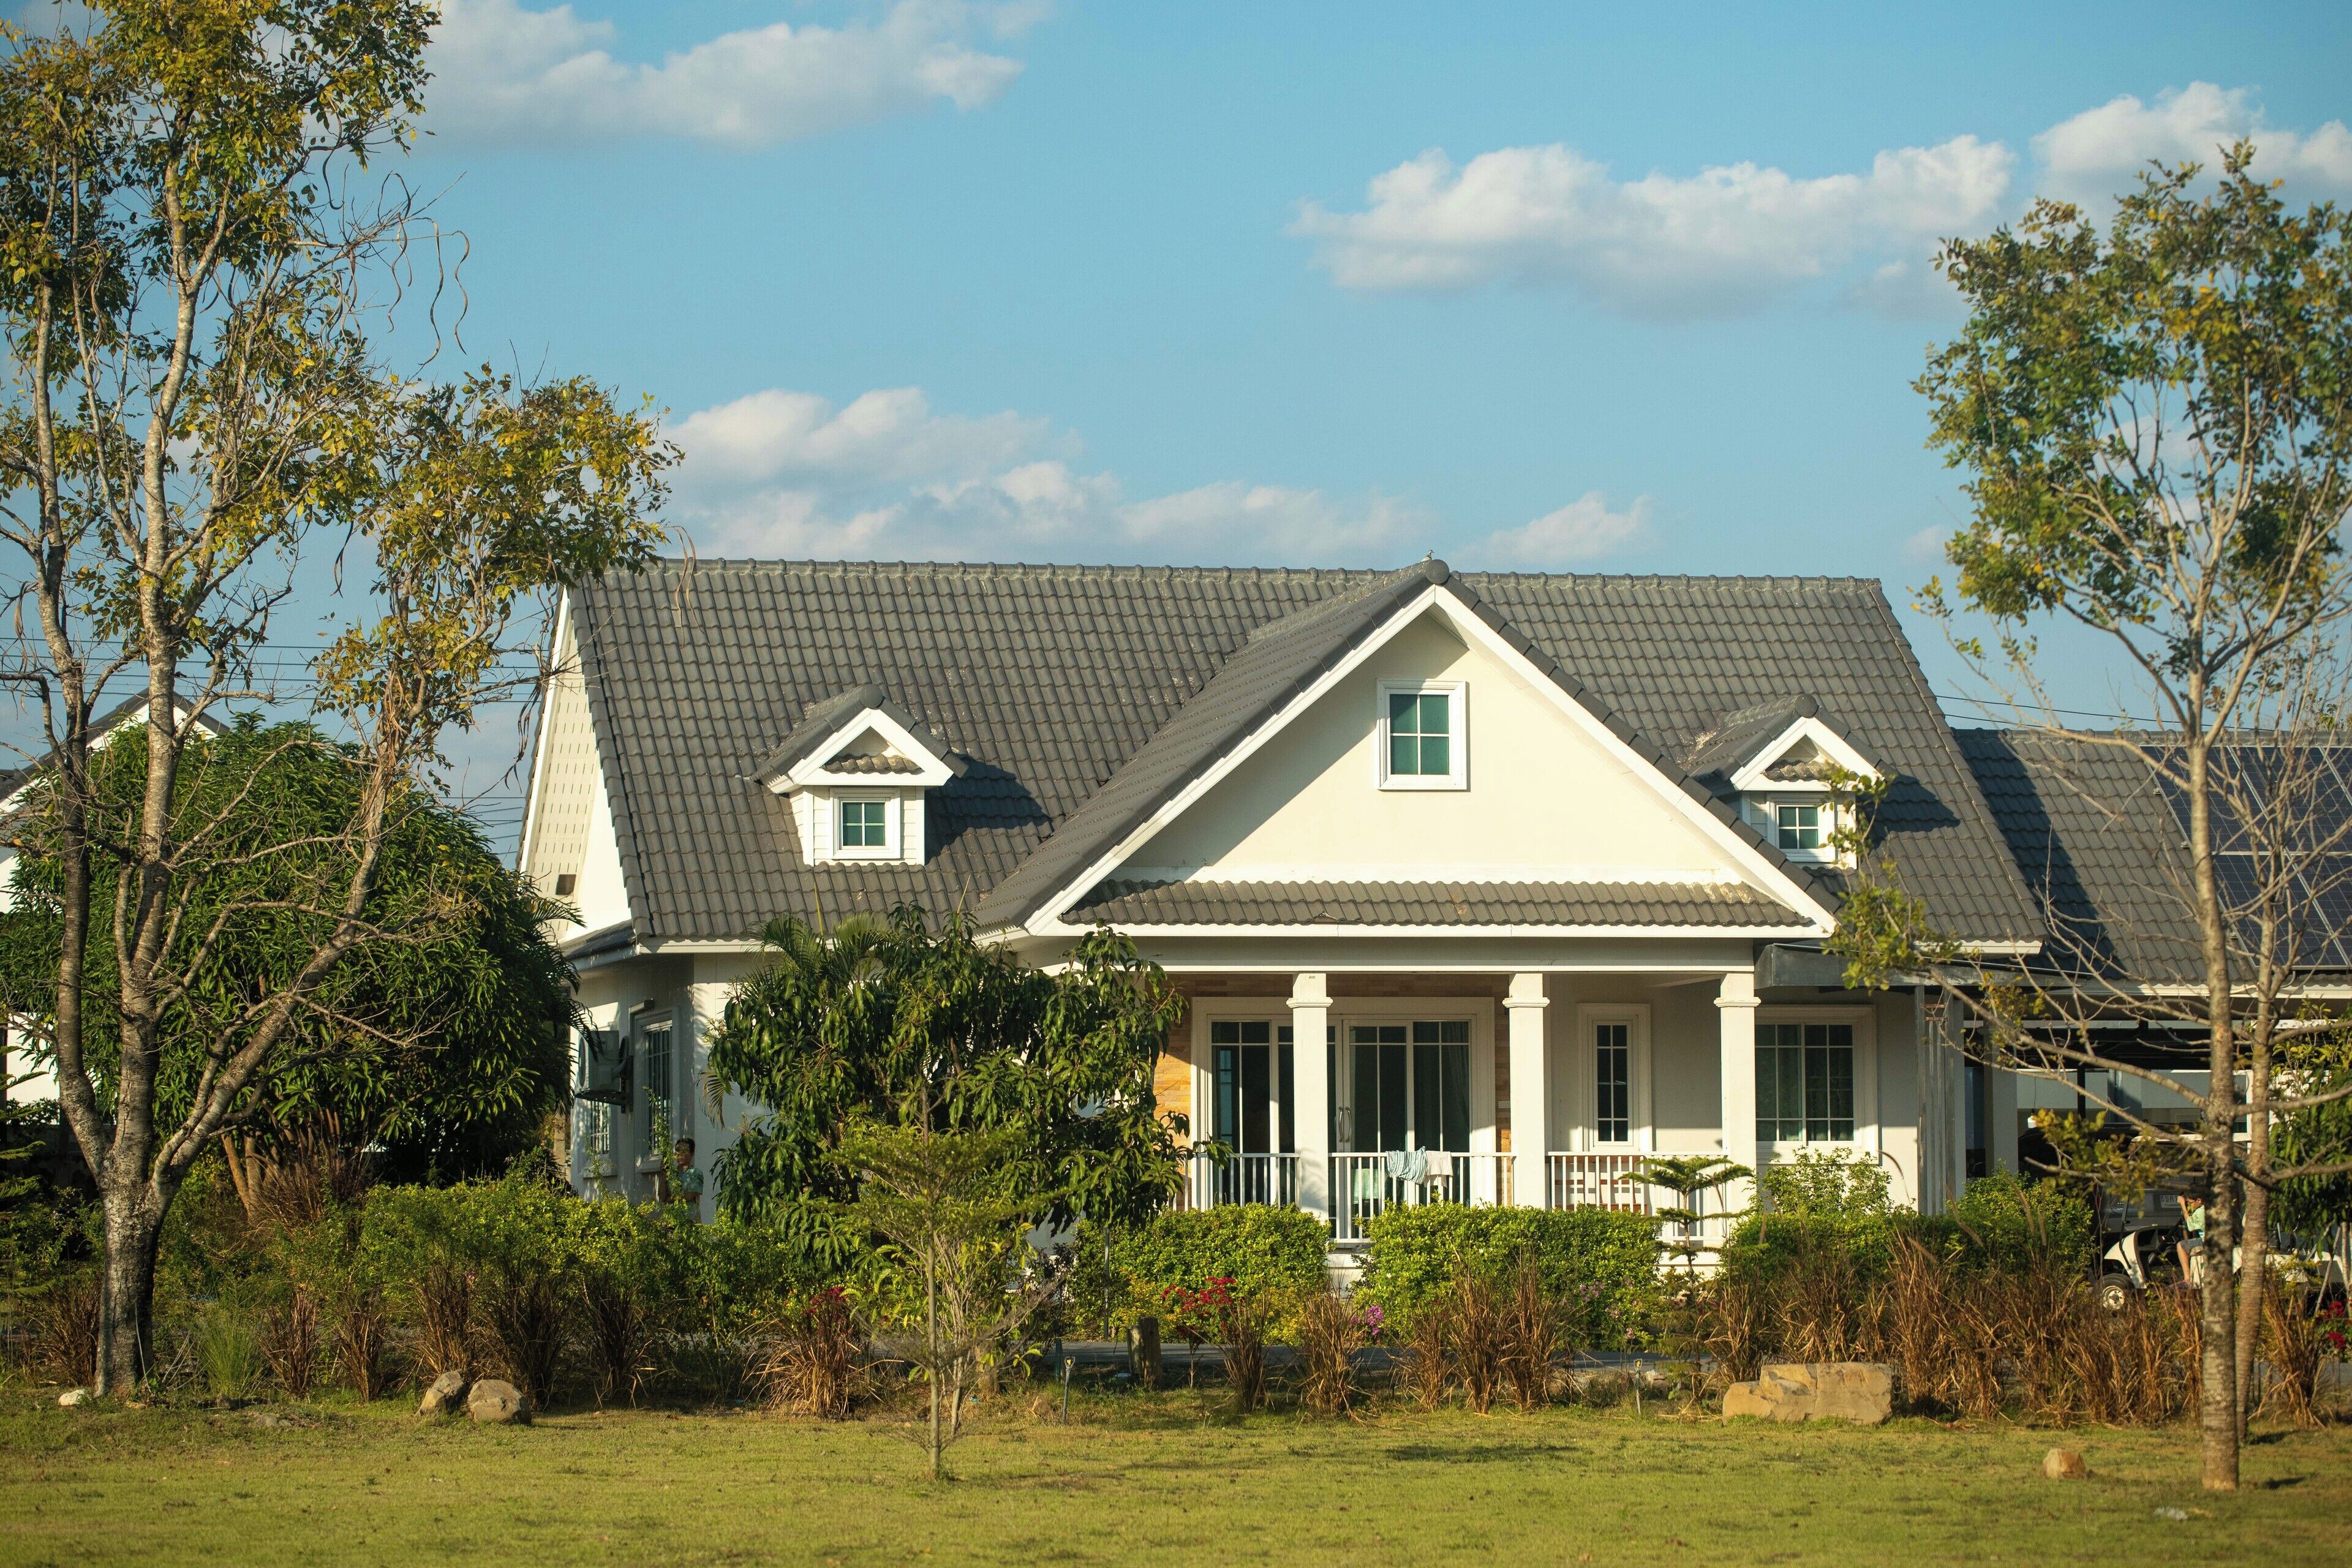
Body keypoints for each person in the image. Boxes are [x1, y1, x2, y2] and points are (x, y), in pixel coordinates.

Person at [671, 1136, 704, 1221]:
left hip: (690, 1220)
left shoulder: (695, 1173)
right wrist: (664, 1175)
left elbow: (690, 1196)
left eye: (684, 1151)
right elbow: (662, 1196)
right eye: (678, 1151)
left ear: (692, 1154)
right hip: (672, 1221)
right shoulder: (671, 1174)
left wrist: (670, 1198)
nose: (680, 1154)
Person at [2176, 1193, 2206, 1283]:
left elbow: (2190, 1226)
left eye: (2190, 1203)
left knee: (2181, 1246)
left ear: (2199, 1201)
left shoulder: (2201, 1211)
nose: (2190, 1206)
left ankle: (2187, 1279)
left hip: (2206, 1241)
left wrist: (2183, 1204)